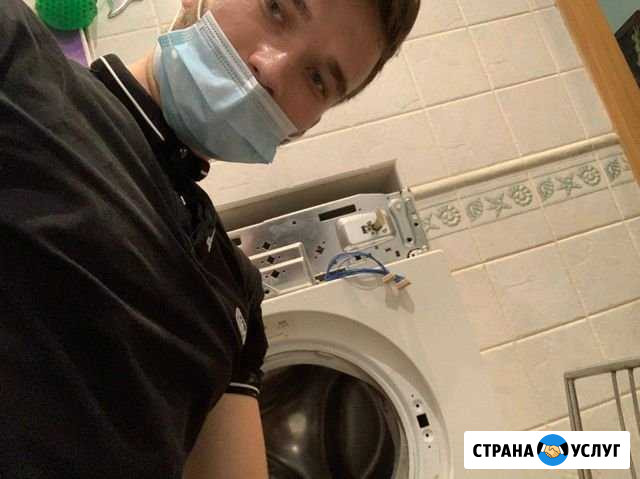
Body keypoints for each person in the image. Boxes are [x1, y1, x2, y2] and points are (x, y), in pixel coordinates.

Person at [0, 0, 419, 477]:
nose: (271, 70)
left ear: (304, 127)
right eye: (276, 9)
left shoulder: (237, 294)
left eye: (318, 79)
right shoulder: (19, 63)